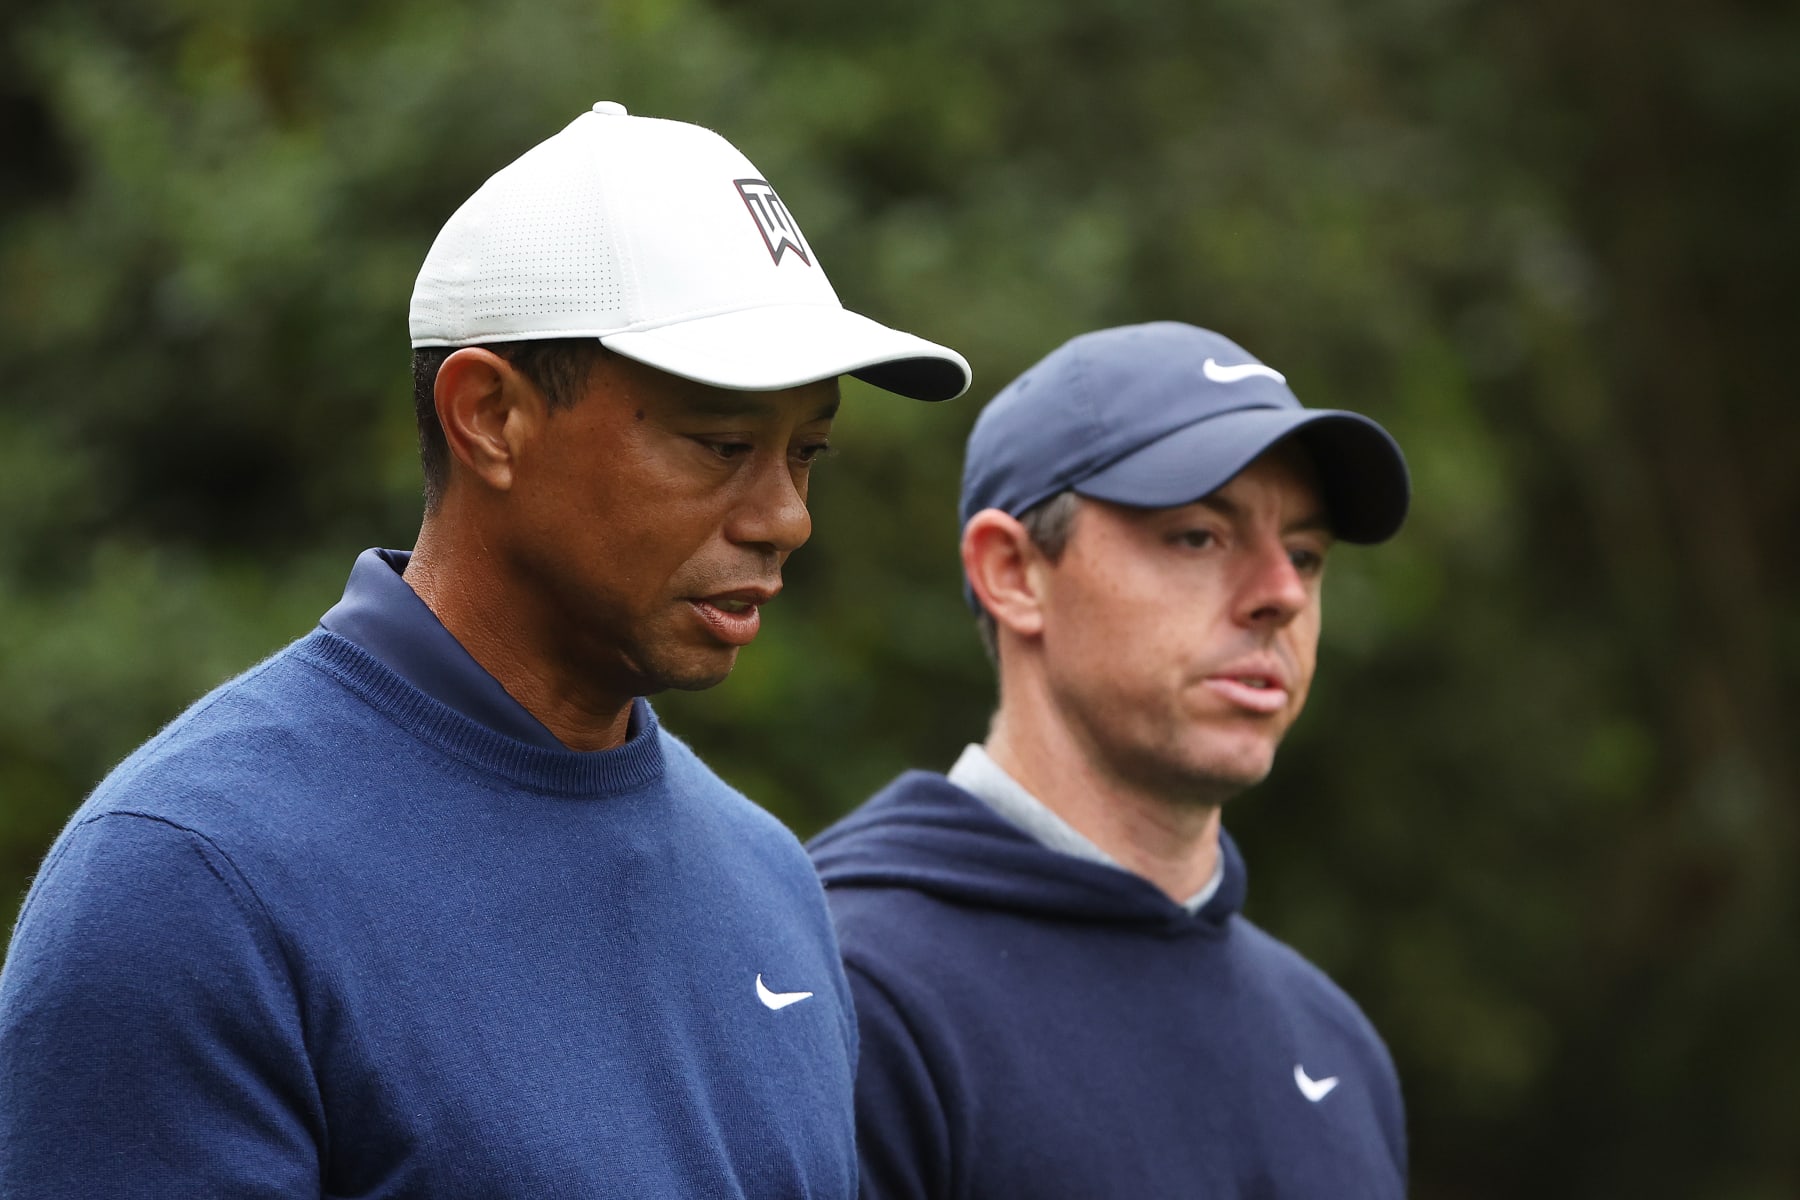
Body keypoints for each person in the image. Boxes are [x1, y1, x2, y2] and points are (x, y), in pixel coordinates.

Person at [0, 101, 969, 1198]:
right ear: (489, 417)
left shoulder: (770, 880)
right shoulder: (189, 881)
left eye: (810, 454)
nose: (785, 517)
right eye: (725, 444)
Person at [809, 321, 1411, 1199]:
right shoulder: (851, 989)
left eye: (1307, 555)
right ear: (1012, 571)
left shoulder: (1334, 1041)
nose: (1281, 594)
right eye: (1199, 536)